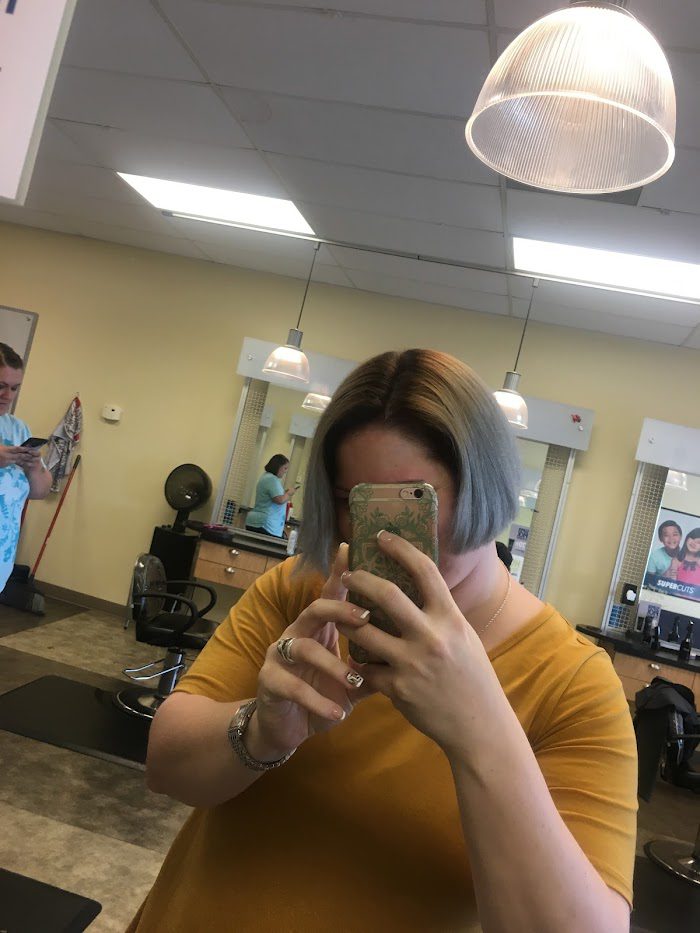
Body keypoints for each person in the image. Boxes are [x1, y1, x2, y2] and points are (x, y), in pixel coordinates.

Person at [130, 350, 636, 933]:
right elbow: (165, 767)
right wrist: (262, 731)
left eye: (414, 501)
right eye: (357, 503)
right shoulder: (305, 593)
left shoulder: (572, 682)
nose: (385, 535)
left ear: (486, 488)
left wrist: (481, 732)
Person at [0, 343, 52, 593]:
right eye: (0, 386)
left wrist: (33, 468)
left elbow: (40, 491)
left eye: (14, 388)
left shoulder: (18, 429)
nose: (8, 396)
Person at [245, 454, 296, 537]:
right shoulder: (271, 479)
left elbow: (272, 497)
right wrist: (289, 493)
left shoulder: (266, 477)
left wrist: (284, 493)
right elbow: (280, 500)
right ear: (278, 466)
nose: (285, 471)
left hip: (261, 522)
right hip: (266, 525)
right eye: (285, 468)